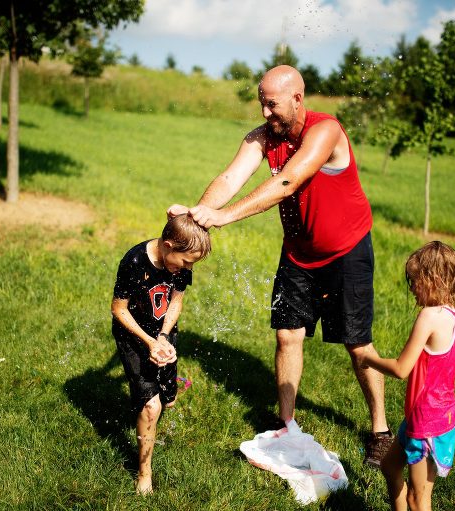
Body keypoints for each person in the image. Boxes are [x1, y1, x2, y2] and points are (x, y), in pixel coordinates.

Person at [167, 64, 393, 466]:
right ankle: (286, 424)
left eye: (272, 104)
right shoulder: (262, 137)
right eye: (262, 103)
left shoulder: (325, 131)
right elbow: (230, 178)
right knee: (288, 336)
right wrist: (199, 214)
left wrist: (224, 217)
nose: (265, 112)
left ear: (297, 98)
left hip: (346, 251)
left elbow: (288, 182)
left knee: (357, 344)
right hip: (298, 253)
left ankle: (380, 431)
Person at [359, 241, 455, 511]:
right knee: (389, 467)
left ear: (434, 280)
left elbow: (401, 369)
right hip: (432, 418)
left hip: (426, 425)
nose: (412, 288)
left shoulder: (428, 316)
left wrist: (368, 358)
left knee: (419, 499)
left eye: (415, 281)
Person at [111, 213, 211, 495]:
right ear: (168, 246)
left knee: (168, 401)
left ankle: (152, 408)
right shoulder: (134, 262)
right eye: (186, 261)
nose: (188, 268)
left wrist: (164, 337)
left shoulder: (181, 264)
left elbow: (176, 302)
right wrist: (149, 342)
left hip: (162, 334)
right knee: (151, 406)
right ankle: (145, 473)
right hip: (133, 337)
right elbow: (118, 309)